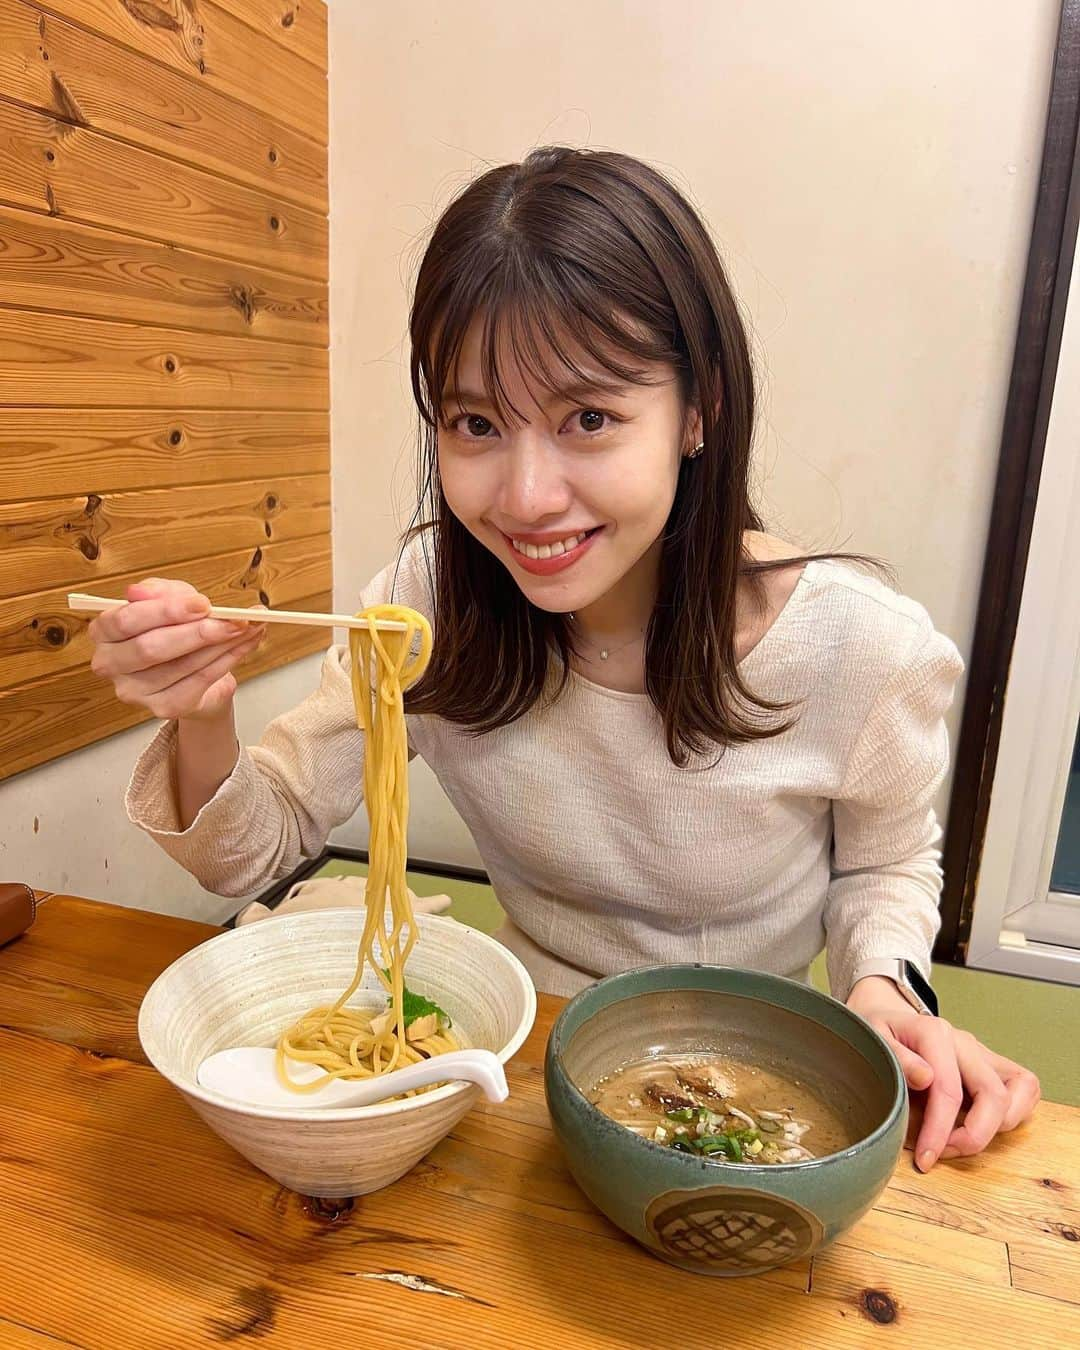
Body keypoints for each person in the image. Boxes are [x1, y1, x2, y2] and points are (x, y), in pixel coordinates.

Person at [89, 147, 1039, 1170]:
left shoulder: (861, 647)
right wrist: (196, 712)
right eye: (476, 423)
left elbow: (887, 863)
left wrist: (881, 993)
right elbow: (254, 851)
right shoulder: (425, 608)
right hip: (510, 1065)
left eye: (589, 418)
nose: (527, 495)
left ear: (699, 410)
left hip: (753, 1085)